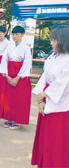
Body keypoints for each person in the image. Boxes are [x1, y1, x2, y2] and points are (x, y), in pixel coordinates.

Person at [31, 25, 69, 168]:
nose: (51, 42)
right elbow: (44, 77)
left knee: (56, 141)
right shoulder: (52, 57)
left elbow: (64, 83)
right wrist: (40, 99)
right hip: (47, 98)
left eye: (54, 39)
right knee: (45, 139)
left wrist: (45, 94)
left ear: (63, 40)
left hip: (61, 105)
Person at [0, 25, 32, 130]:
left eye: (17, 34)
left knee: (18, 98)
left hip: (20, 76)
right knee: (8, 98)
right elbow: (4, 61)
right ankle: (8, 118)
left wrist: (18, 77)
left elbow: (27, 64)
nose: (14, 36)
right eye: (13, 34)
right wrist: (6, 75)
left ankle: (17, 120)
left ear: (22, 35)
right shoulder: (9, 47)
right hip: (9, 74)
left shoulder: (26, 48)